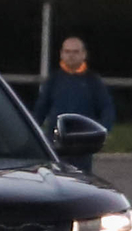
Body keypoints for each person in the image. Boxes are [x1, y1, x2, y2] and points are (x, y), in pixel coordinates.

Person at [31, 37, 114, 173]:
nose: (71, 55)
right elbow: (41, 109)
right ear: (61, 54)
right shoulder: (54, 80)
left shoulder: (93, 81)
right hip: (56, 143)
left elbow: (107, 108)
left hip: (83, 144)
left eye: (75, 52)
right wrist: (32, 132)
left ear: (83, 54)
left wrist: (103, 132)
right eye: (67, 51)